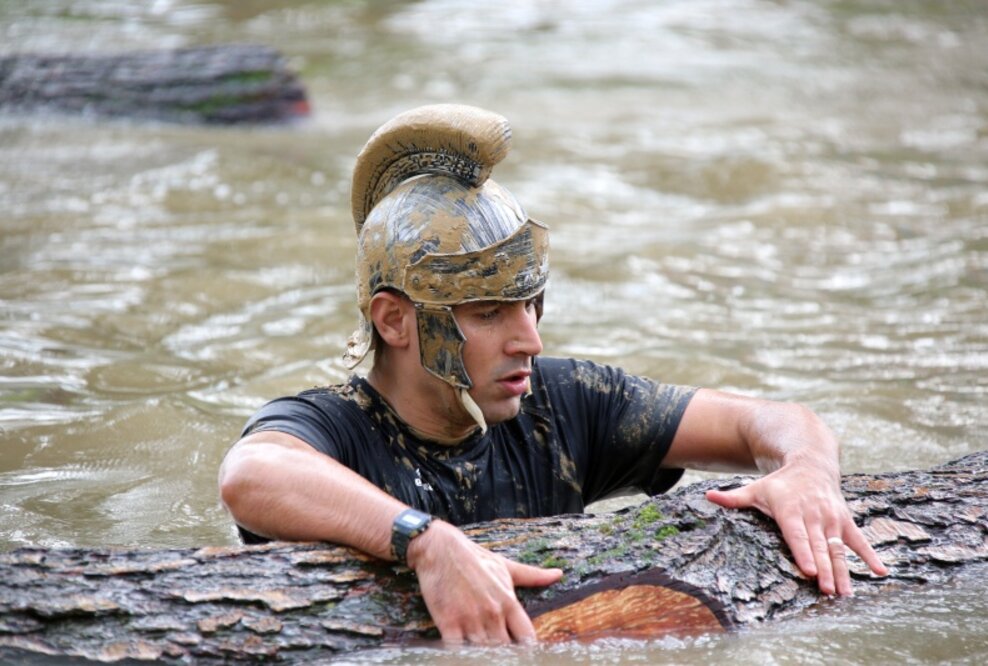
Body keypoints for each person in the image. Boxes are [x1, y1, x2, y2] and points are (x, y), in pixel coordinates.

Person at [218, 103, 888, 645]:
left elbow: (769, 422)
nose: (530, 340)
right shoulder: (335, 427)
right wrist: (425, 544)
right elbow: (250, 475)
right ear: (395, 321)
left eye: (532, 306)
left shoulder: (564, 405)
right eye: (487, 314)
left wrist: (805, 470)